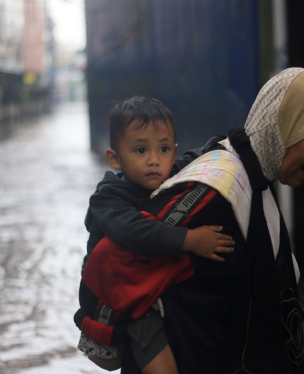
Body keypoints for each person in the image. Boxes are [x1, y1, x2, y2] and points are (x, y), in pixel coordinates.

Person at [81, 67, 304, 373]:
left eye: (164, 149)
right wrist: (99, 335)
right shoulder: (214, 191)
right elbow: (111, 264)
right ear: (286, 128)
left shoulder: (241, 177)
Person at [75, 96, 235, 373]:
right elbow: (134, 231)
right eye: (140, 150)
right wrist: (190, 240)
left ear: (173, 153)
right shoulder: (108, 198)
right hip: (119, 297)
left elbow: (194, 158)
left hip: (148, 285)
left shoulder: (169, 174)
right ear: (115, 158)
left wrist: (223, 145)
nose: (154, 160)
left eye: (163, 149)